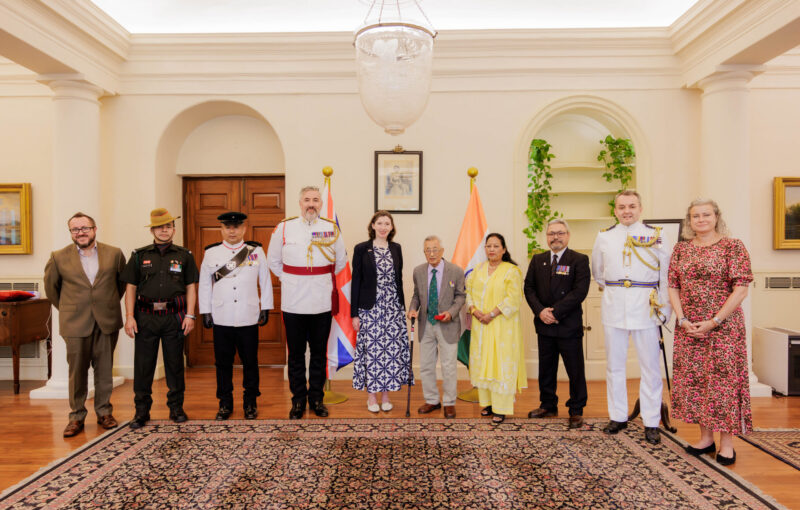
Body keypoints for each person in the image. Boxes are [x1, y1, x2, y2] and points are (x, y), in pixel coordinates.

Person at [668, 198, 753, 465]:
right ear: (689, 221)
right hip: (689, 327)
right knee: (696, 382)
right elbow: (673, 286)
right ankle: (705, 439)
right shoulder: (681, 249)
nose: (701, 219)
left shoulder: (733, 246)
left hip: (724, 328)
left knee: (724, 383)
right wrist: (682, 319)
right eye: (695, 216)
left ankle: (727, 444)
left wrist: (714, 321)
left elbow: (741, 289)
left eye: (706, 214)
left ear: (716, 217)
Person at [591, 190, 673, 445]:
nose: (627, 211)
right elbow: (597, 272)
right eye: (622, 206)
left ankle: (651, 421)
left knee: (650, 366)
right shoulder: (604, 236)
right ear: (614, 210)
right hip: (615, 306)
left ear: (640, 208)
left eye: (632, 206)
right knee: (614, 366)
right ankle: (617, 416)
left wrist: (664, 308)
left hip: (646, 308)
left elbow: (666, 274)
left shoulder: (655, 235)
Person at [267, 186, 347, 419]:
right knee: (296, 355)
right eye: (306, 200)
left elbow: (340, 261)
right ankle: (298, 401)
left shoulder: (331, 229)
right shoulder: (284, 228)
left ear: (321, 204)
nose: (311, 204)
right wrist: (290, 279)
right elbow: (273, 261)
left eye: (315, 200)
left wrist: (318, 280)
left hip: (321, 302)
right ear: (299, 203)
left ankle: (317, 400)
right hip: (293, 303)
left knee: (319, 354)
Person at [44, 212, 126, 437]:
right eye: (75, 229)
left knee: (104, 370)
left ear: (94, 229)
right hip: (75, 323)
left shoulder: (115, 254)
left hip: (107, 320)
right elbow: (52, 290)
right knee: (77, 372)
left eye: (84, 228)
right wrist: (72, 308)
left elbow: (121, 285)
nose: (80, 232)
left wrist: (104, 305)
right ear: (71, 233)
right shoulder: (58, 257)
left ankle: (104, 412)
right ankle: (76, 416)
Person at [121, 208, 199, 429]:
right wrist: (129, 317)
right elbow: (131, 288)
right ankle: (141, 412)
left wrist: (190, 314)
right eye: (160, 227)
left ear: (173, 229)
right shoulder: (139, 256)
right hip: (145, 317)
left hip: (174, 317)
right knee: (143, 366)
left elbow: (191, 287)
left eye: (168, 226)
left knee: (175, 366)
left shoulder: (185, 255)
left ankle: (176, 409)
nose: (164, 230)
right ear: (152, 230)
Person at [198, 211, 273, 420]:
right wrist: (205, 311)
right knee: (223, 363)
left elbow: (265, 280)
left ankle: (250, 402)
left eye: (237, 226)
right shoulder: (211, 253)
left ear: (244, 229)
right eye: (228, 227)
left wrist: (265, 307)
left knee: (250, 362)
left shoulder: (255, 250)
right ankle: (225, 403)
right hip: (222, 316)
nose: (233, 230)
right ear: (221, 229)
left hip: (248, 315)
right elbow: (205, 284)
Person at [524, 219, 590, 429]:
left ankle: (576, 410)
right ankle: (548, 404)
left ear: (568, 236)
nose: (556, 237)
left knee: (575, 369)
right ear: (546, 237)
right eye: (551, 233)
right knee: (546, 368)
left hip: (568, 324)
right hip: (544, 324)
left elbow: (580, 292)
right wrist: (541, 311)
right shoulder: (537, 260)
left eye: (560, 233)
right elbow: (529, 289)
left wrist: (555, 312)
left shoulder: (579, 260)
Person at [351, 211, 412, 412]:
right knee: (373, 353)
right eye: (380, 223)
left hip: (393, 308)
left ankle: (386, 396)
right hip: (370, 309)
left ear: (392, 227)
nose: (384, 226)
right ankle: (371, 398)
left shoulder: (396, 248)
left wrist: (402, 308)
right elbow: (356, 281)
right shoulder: (362, 249)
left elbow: (399, 279)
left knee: (390, 353)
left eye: (387, 223)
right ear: (373, 226)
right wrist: (354, 314)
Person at [466, 232, 527, 424]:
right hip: (480, 326)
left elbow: (514, 298)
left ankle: (501, 408)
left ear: (504, 249)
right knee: (484, 362)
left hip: (501, 327)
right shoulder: (478, 269)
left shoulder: (511, 271)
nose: (491, 249)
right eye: (488, 246)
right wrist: (475, 311)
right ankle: (489, 404)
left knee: (500, 364)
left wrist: (491, 314)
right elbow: (468, 293)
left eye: (495, 246)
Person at [407, 235, 466, 418]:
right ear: (424, 252)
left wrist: (451, 312)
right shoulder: (418, 271)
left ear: (442, 251)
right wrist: (412, 309)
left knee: (448, 366)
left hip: (447, 324)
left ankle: (449, 402)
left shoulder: (455, 270)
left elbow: (460, 297)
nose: (431, 253)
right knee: (426, 365)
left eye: (435, 249)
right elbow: (416, 295)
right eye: (427, 250)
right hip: (426, 325)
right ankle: (432, 399)